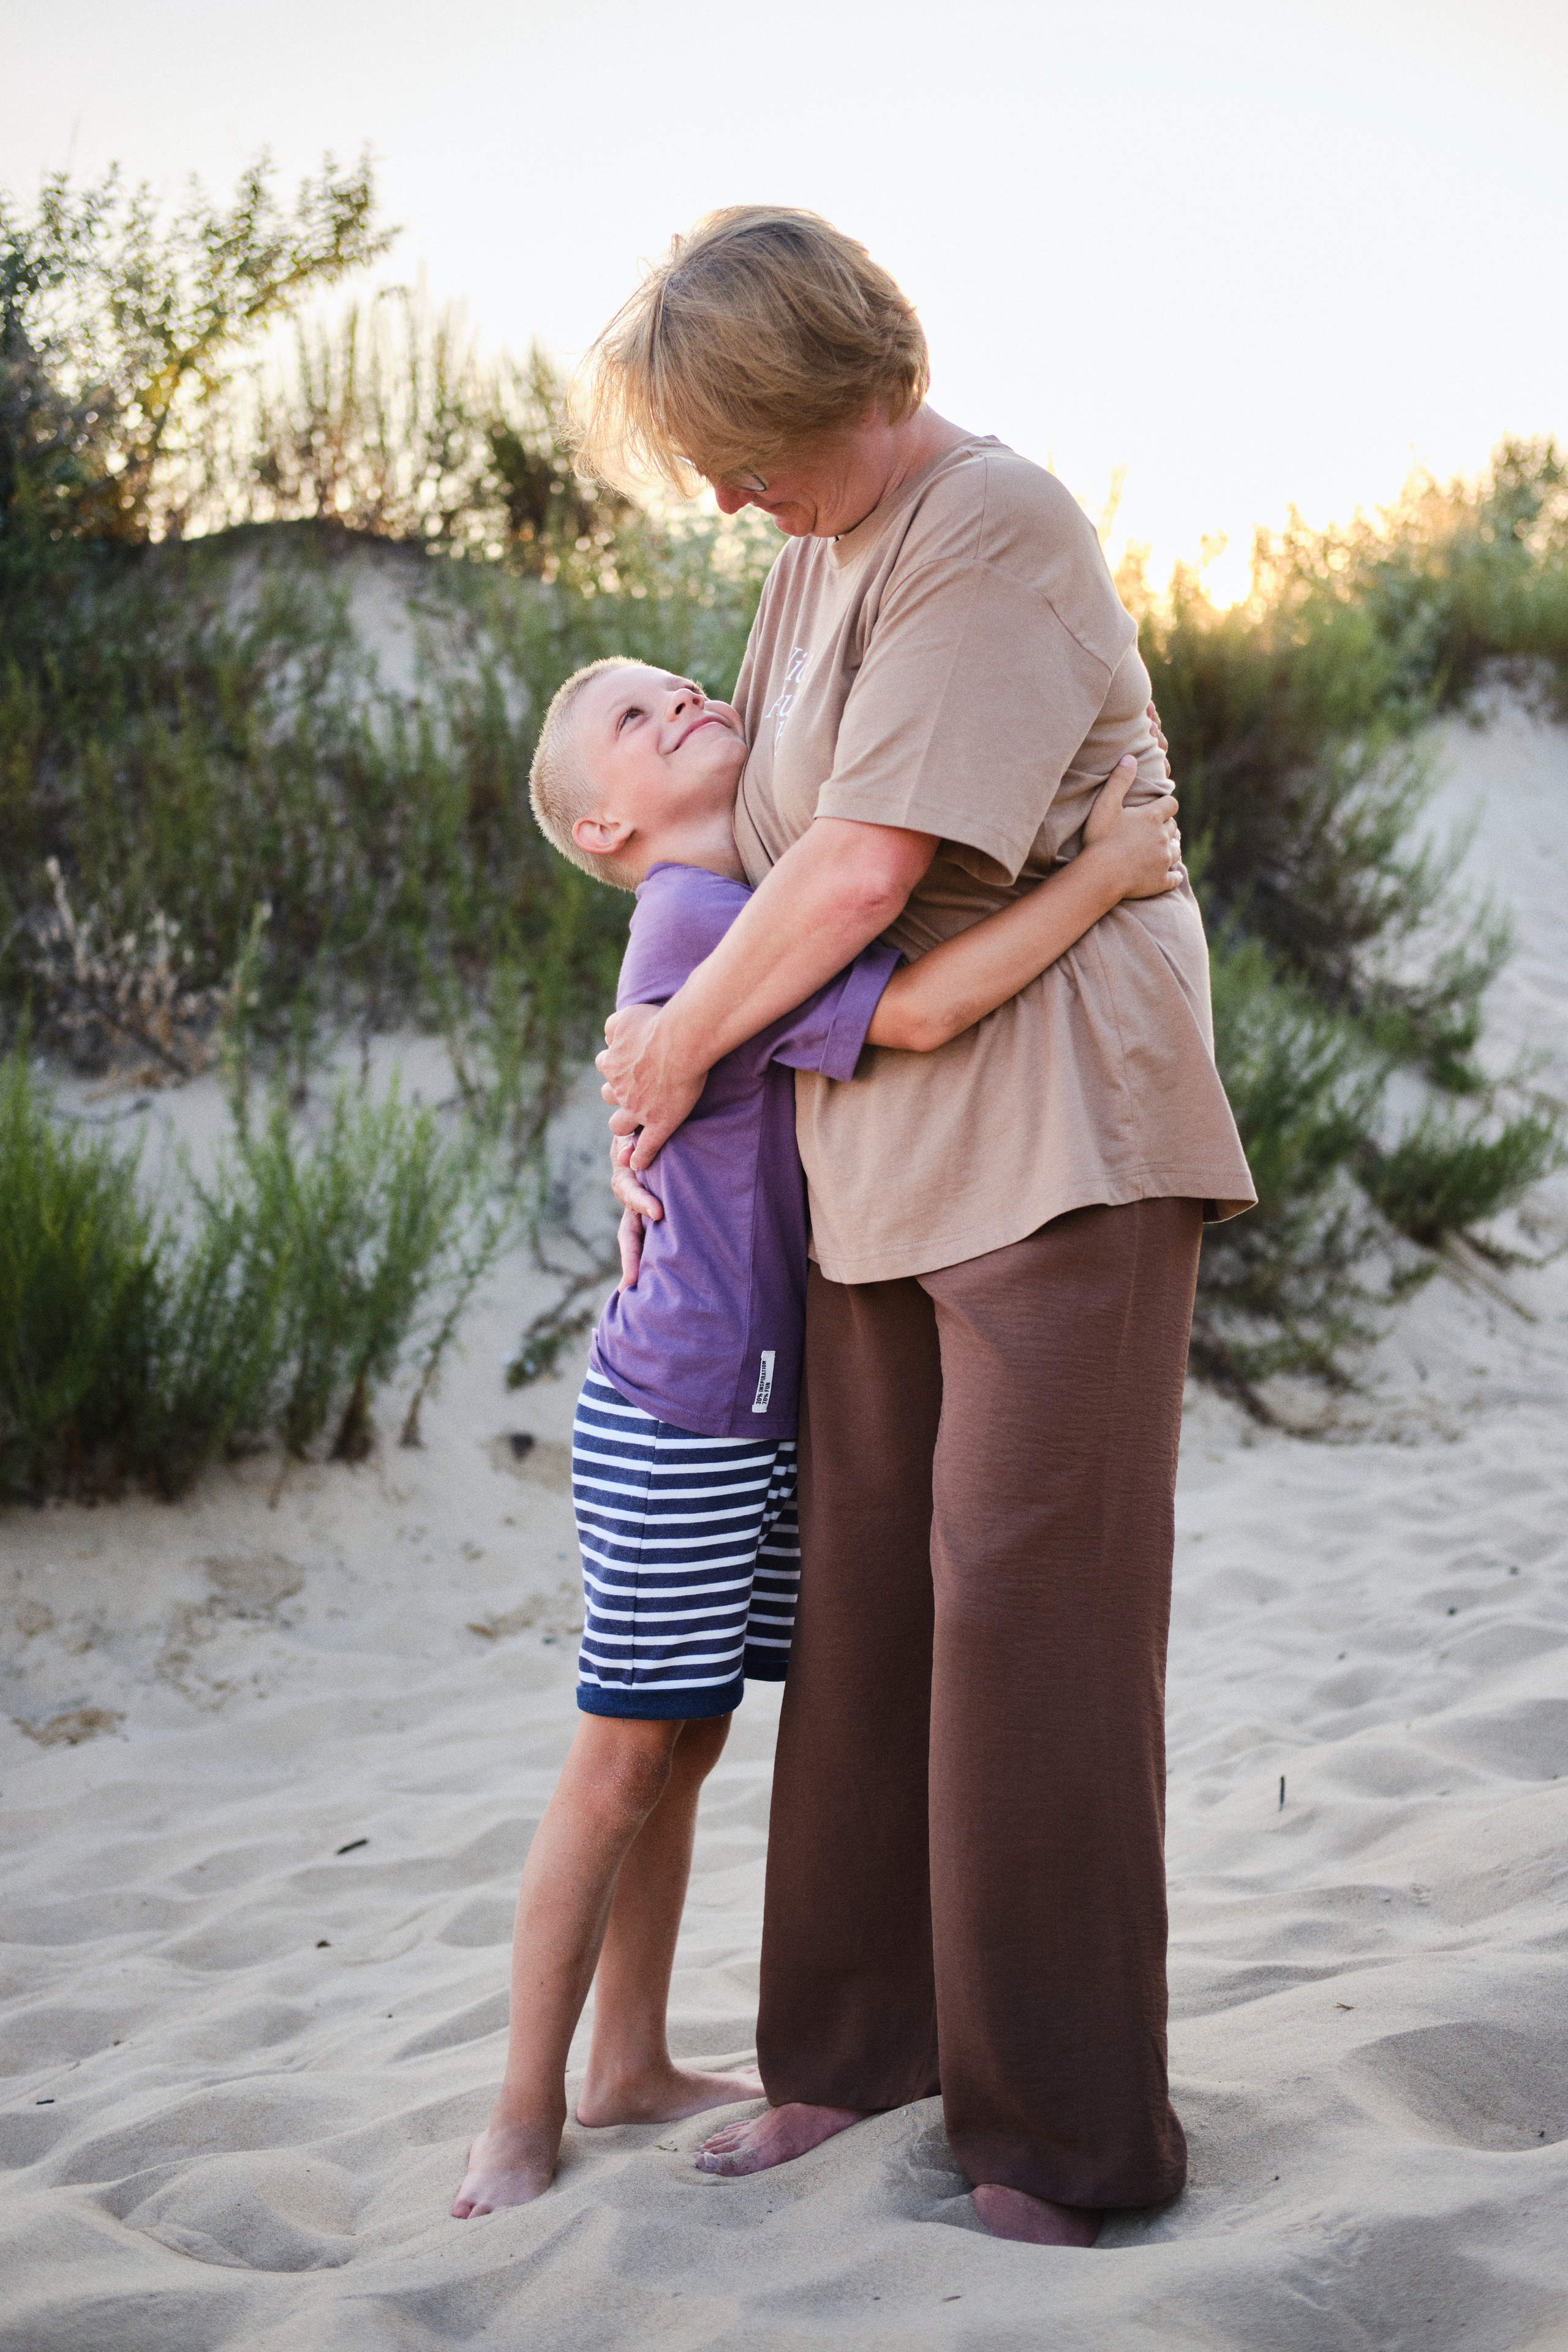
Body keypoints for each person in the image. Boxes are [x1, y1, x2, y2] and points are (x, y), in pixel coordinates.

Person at [585, 208, 1257, 2247]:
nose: (717, 488)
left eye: (740, 438)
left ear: (842, 387)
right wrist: (679, 1025)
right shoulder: (809, 556)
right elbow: (759, 851)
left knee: (1025, 1624)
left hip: (1059, 1131)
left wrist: (679, 1046)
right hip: (870, 1146)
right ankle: (854, 2055)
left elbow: (866, 869)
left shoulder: (993, 526)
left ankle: (1066, 2141)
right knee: (864, 1608)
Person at [450, 654, 1186, 2217]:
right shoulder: (705, 921)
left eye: (680, 688)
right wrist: (1111, 874)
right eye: (634, 727)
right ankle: (518, 2115)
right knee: (619, 1754)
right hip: (683, 1409)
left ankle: (629, 2062)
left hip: (744, 1400)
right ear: (601, 827)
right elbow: (914, 1011)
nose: (683, 709)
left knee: (686, 1738)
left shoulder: (731, 910)